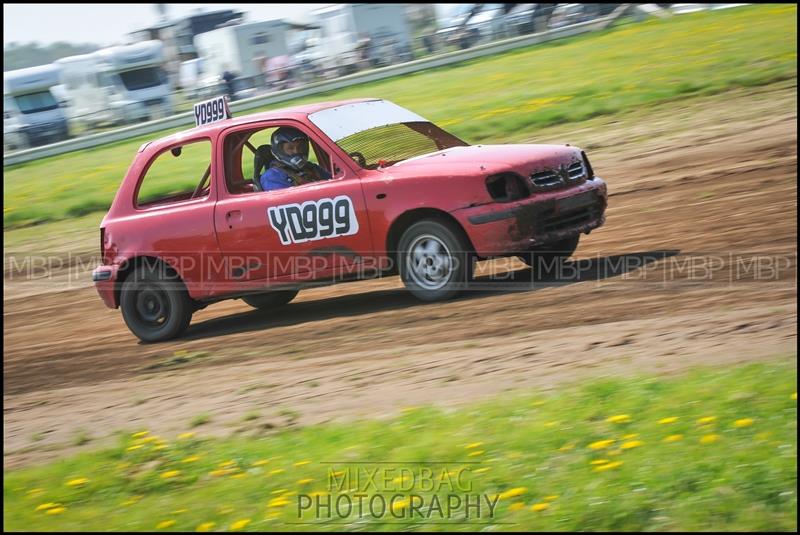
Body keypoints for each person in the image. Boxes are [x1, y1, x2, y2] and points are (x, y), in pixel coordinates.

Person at [260, 127, 331, 191]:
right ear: (279, 151)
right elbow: (287, 201)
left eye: (301, 147)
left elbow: (334, 182)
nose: (297, 151)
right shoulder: (272, 176)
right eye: (290, 148)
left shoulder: (312, 168)